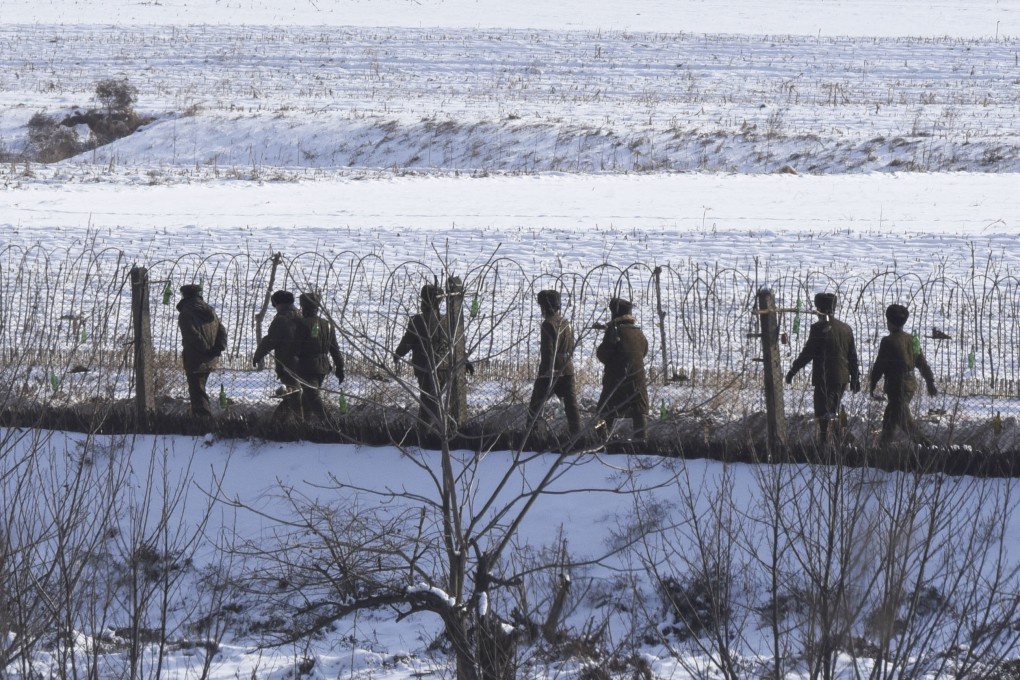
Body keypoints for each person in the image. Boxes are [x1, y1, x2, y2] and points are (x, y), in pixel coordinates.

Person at [785, 292, 860, 442]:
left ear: (819, 309)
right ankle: (839, 443)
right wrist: (855, 378)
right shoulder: (846, 328)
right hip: (842, 378)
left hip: (824, 379)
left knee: (822, 413)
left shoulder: (818, 328)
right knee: (834, 410)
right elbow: (852, 356)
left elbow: (808, 353)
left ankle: (825, 444)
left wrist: (793, 371)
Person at [869, 303, 938, 446]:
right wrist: (930, 382)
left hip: (896, 387)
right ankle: (882, 452)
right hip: (910, 385)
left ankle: (928, 447)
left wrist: (873, 383)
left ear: (890, 322)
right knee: (889, 421)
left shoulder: (887, 341)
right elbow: (922, 364)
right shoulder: (913, 339)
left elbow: (879, 365)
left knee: (905, 422)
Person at [394, 284, 449, 431]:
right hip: (444, 367)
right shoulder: (445, 320)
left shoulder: (419, 320)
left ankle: (425, 433)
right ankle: (435, 431)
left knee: (428, 402)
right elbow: (454, 344)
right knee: (434, 401)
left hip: (425, 368)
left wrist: (397, 354)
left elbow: (408, 341)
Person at [527, 290, 581, 435]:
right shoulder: (565, 323)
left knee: (535, 406)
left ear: (544, 307)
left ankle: (530, 435)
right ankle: (577, 435)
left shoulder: (547, 324)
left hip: (551, 370)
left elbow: (547, 351)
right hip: (567, 367)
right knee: (571, 406)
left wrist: (546, 371)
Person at [595, 297, 649, 440]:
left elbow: (603, 355)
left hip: (616, 381)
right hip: (638, 381)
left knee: (604, 410)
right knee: (639, 412)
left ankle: (600, 441)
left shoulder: (615, 331)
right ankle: (642, 441)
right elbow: (644, 351)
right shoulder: (639, 332)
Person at [176, 283, 227, 418]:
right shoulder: (210, 310)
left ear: (184, 295)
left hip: (195, 358)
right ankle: (203, 419)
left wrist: (205, 349)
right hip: (211, 358)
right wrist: (217, 349)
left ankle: (203, 422)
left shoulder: (185, 313)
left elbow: (192, 335)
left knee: (197, 391)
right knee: (200, 388)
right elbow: (222, 330)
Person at [293, 292, 345, 420]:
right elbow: (335, 348)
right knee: (307, 398)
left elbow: (294, 347)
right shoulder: (327, 324)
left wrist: (288, 362)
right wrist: (340, 367)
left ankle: (330, 424)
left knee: (312, 396)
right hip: (323, 366)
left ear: (303, 308)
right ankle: (306, 426)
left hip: (306, 366)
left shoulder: (301, 324)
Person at [252, 290, 302, 418]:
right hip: (306, 363)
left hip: (288, 364)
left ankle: (300, 427)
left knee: (293, 397)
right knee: (293, 395)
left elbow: (270, 340)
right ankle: (276, 424)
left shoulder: (281, 320)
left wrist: (258, 355)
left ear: (278, 304)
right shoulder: (302, 316)